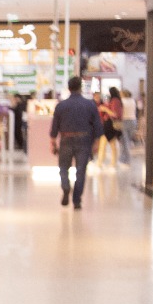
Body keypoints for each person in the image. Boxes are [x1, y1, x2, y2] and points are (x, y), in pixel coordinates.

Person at [51, 75, 103, 209]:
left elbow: (54, 127)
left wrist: (53, 143)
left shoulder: (61, 105)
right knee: (81, 171)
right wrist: (96, 143)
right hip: (84, 140)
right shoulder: (90, 104)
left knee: (63, 167)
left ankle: (65, 186)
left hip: (66, 139)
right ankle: (77, 200)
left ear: (69, 88)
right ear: (81, 88)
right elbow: (98, 126)